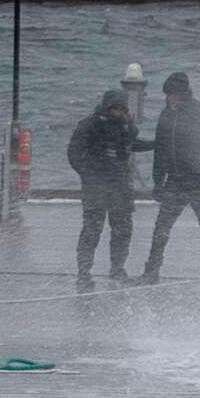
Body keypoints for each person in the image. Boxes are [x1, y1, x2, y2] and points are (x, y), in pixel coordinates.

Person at [138, 71, 200, 283]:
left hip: (199, 179)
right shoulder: (167, 114)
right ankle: (151, 270)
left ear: (183, 93)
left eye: (173, 94)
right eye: (168, 94)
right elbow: (161, 149)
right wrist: (158, 181)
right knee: (162, 227)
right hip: (175, 180)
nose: (170, 98)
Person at [66, 88, 143, 288]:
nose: (118, 112)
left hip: (120, 186)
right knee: (92, 230)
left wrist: (156, 143)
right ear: (107, 106)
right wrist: (88, 174)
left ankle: (117, 269)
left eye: (121, 108)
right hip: (96, 186)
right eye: (114, 108)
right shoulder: (90, 125)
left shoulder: (127, 126)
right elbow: (74, 152)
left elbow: (131, 144)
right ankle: (84, 272)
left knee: (122, 230)